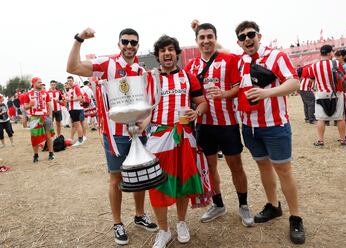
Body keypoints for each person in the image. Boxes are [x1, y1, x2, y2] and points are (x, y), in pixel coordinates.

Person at [66, 27, 158, 245]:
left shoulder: (141, 71)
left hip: (138, 132)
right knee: (116, 178)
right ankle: (117, 223)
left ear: (137, 45)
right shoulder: (106, 65)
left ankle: (139, 215)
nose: (129, 45)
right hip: (115, 134)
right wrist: (79, 39)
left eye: (133, 42)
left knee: (140, 173)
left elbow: (148, 103)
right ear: (119, 44)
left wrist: (144, 123)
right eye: (125, 42)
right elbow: (72, 67)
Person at [235, 21, 305, 244]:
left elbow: (294, 82)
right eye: (242, 37)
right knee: (263, 166)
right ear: (239, 42)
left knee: (284, 170)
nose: (247, 39)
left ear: (259, 36)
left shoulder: (276, 56)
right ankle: (273, 205)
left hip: (274, 125)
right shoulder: (241, 61)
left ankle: (296, 217)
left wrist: (267, 94)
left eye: (251, 34)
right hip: (250, 126)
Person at [140, 35, 208, 248]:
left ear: (177, 53)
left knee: (183, 180)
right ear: (158, 56)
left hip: (184, 135)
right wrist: (142, 124)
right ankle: (163, 230)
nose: (167, 53)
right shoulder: (150, 78)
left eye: (171, 49)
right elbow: (147, 108)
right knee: (157, 184)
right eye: (162, 50)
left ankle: (181, 223)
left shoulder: (188, 77)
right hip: (159, 136)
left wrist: (196, 112)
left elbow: (203, 103)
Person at [185, 22, 254, 226]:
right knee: (209, 167)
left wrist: (223, 94)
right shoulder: (191, 66)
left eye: (209, 36)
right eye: (202, 37)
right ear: (197, 41)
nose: (206, 41)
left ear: (215, 38)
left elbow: (238, 88)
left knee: (236, 166)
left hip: (227, 123)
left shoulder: (229, 59)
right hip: (204, 125)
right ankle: (218, 204)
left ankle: (243, 205)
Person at [310, 45, 346, 146]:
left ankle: (320, 140)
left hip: (321, 94)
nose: (333, 54)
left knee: (321, 119)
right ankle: (342, 140)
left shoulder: (313, 66)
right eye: (332, 52)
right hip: (336, 94)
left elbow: (312, 80)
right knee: (340, 118)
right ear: (328, 53)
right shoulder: (336, 63)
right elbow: (343, 76)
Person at [24, 77, 55, 162]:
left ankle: (51, 153)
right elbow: (25, 107)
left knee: (49, 136)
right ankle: (36, 155)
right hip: (34, 118)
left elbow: (49, 105)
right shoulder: (28, 94)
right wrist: (30, 105)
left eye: (41, 82)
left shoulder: (45, 93)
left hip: (45, 117)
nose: (41, 84)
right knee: (35, 137)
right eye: (39, 82)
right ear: (33, 83)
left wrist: (50, 117)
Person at [65, 76, 85, 146]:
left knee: (77, 124)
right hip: (72, 109)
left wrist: (70, 100)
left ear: (73, 81)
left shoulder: (76, 88)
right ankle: (74, 138)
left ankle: (80, 139)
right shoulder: (70, 89)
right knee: (74, 125)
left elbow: (80, 98)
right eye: (68, 81)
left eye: (70, 80)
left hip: (76, 109)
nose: (69, 82)